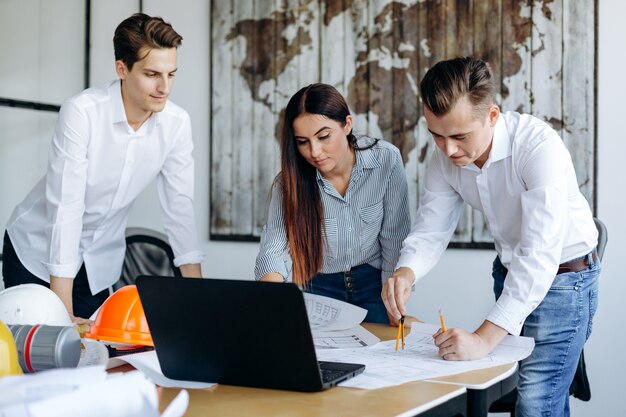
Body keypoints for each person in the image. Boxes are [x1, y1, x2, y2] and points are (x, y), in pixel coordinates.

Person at [382, 57, 599, 416]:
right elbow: (431, 228)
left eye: (459, 136)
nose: (448, 149)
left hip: (565, 281)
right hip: (511, 274)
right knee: (519, 391)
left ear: (493, 115)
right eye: (436, 134)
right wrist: (406, 271)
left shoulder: (538, 146)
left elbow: (539, 256)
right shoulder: (444, 160)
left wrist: (484, 338)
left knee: (534, 404)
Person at [2, 13, 204, 323]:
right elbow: (66, 208)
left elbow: (180, 211)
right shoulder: (82, 113)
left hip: (98, 265)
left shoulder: (177, 124)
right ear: (121, 69)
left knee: (94, 358)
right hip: (37, 253)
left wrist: (201, 305)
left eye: (171, 74)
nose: (164, 87)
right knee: (45, 351)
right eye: (152, 74)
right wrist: (62, 315)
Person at [255, 83, 410, 324]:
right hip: (317, 287)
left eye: (324, 136)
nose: (314, 152)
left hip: (374, 285)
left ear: (347, 124)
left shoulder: (386, 160)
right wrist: (274, 302)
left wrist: (393, 304)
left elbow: (394, 237)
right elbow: (273, 251)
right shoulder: (288, 183)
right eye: (302, 142)